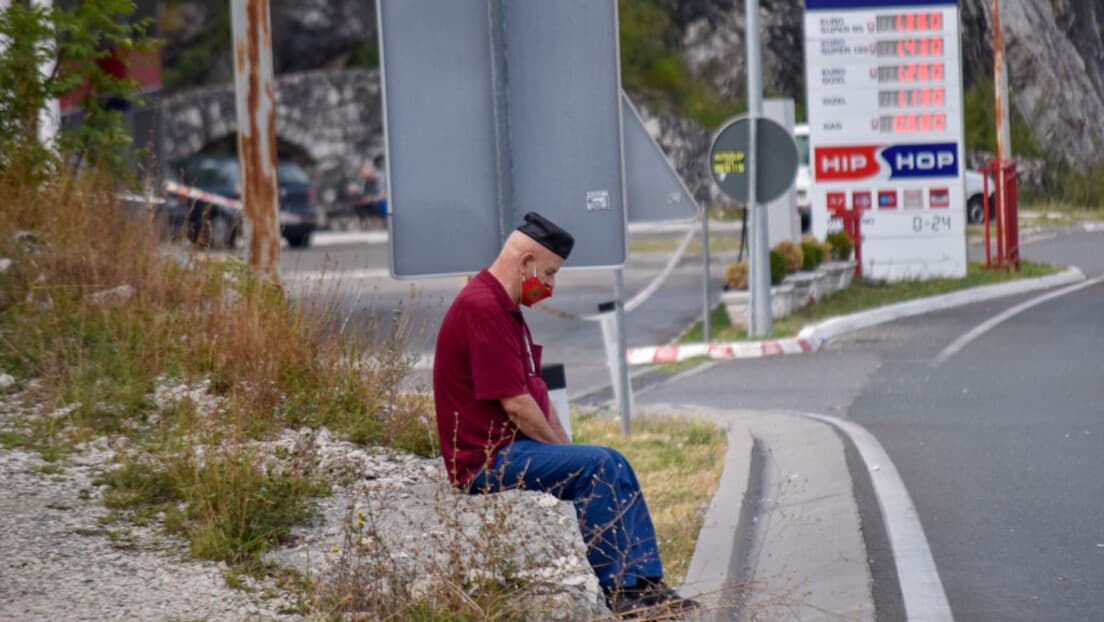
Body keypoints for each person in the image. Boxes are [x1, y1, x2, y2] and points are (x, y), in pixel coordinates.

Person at [432, 212, 700, 617]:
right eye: (550, 273)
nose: (551, 286)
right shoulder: (482, 307)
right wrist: (571, 455)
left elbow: (535, 396)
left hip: (512, 451)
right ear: (526, 264)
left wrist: (571, 452)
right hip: (484, 462)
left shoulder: (507, 311)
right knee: (597, 465)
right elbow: (517, 407)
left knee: (612, 461)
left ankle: (647, 582)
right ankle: (619, 590)